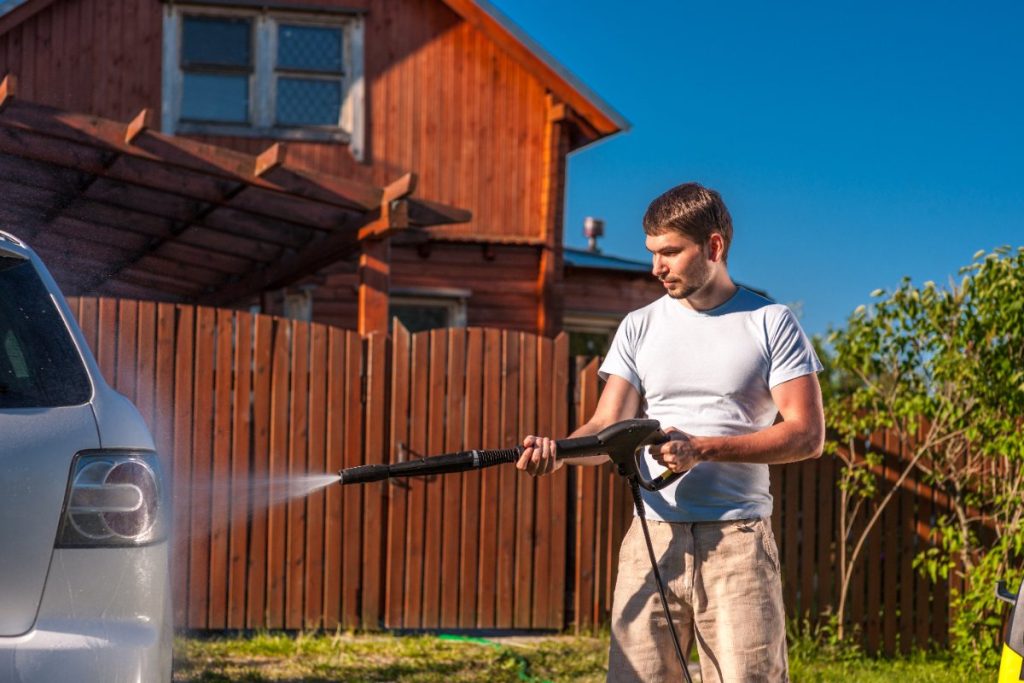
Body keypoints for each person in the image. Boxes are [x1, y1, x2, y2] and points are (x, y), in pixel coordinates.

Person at [518, 182, 824, 683]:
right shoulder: (639, 326)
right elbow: (604, 428)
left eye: (669, 252)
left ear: (714, 246)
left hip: (737, 543)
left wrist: (703, 449)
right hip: (650, 540)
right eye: (652, 253)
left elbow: (807, 435)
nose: (655, 267)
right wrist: (560, 451)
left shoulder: (770, 322)